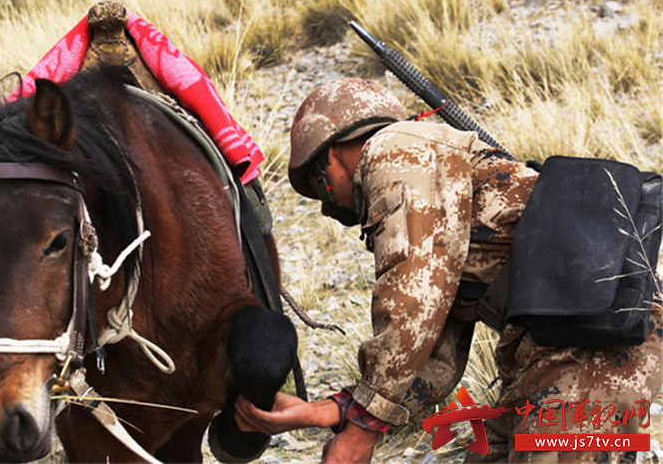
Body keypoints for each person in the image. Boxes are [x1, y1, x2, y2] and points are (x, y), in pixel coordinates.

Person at [234, 77, 663, 463]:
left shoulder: (393, 149)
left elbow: (415, 288)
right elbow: (434, 349)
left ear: (331, 156)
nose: (331, 212)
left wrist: (363, 429)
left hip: (597, 349)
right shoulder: (432, 183)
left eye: (322, 192)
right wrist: (341, 409)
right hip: (565, 348)